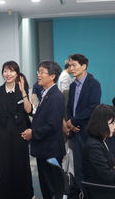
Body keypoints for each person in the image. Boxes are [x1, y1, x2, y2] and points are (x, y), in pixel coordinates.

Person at [0, 60, 33, 199]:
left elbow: (29, 110)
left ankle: (23, 195)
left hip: (19, 132)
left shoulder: (21, 89)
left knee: (21, 165)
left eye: (11, 71)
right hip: (3, 132)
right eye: (5, 71)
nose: (8, 74)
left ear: (17, 73)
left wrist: (24, 93)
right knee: (3, 166)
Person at [21, 60, 65, 199]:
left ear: (52, 76)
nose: (38, 75)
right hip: (45, 148)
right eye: (38, 72)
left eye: (42, 72)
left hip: (50, 150)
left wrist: (33, 134)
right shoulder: (47, 93)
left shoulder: (56, 96)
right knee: (45, 186)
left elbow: (52, 125)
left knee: (52, 188)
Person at [66, 53, 101, 189]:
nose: (71, 68)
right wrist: (71, 122)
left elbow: (92, 107)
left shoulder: (94, 84)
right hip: (75, 131)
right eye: (70, 65)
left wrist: (73, 121)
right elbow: (69, 107)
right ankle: (80, 192)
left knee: (90, 166)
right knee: (78, 167)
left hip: (87, 130)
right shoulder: (73, 85)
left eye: (74, 65)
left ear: (84, 66)